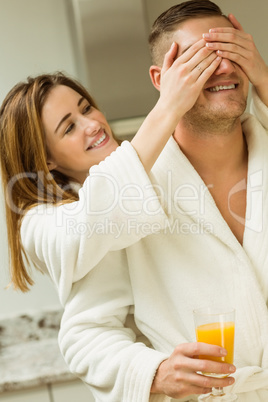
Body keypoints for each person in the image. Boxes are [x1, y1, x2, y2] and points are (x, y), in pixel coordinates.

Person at [57, 1, 268, 401]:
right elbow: (84, 334)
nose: (221, 68)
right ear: (161, 79)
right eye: (198, 59)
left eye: (231, 52)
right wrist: (153, 374)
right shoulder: (128, 193)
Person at [0, 36, 222, 301]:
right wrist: (168, 107)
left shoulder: (161, 167)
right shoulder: (38, 225)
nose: (92, 125)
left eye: (87, 108)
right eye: (69, 127)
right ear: (46, 161)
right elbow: (87, 224)